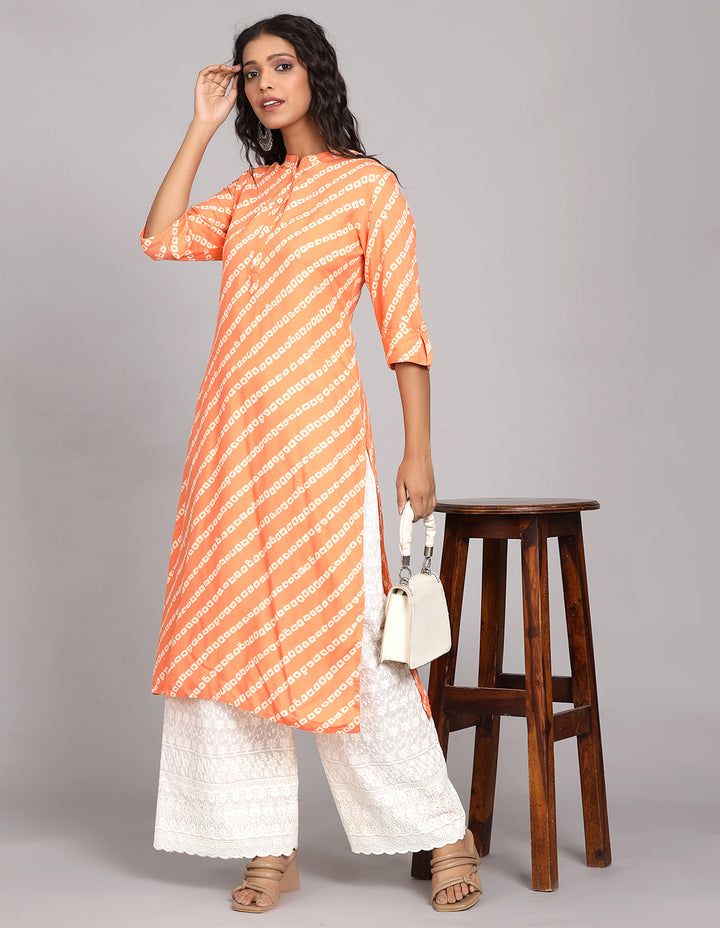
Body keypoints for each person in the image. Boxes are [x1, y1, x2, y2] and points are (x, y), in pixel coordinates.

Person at [138, 12, 482, 914]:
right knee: (229, 638)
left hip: (318, 442)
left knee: (349, 637)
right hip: (227, 444)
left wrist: (418, 453)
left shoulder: (371, 190)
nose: (262, 84)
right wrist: (202, 126)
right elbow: (161, 235)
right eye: (250, 72)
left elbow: (405, 331)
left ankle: (443, 831)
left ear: (314, 72)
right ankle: (265, 846)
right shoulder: (249, 196)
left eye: (279, 65)